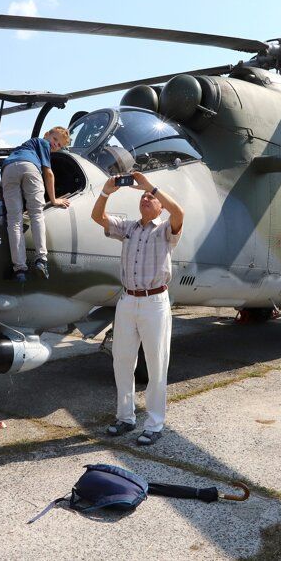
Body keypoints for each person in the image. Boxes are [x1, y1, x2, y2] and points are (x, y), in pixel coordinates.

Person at [91, 171, 184, 446]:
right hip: (127, 301)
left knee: (156, 364)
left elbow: (179, 213)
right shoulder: (128, 228)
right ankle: (125, 418)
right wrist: (106, 191)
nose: (145, 198)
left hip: (155, 302)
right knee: (121, 360)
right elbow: (98, 217)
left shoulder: (165, 229)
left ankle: (155, 424)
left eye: (151, 197)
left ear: (160, 206)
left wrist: (150, 186)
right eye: (143, 196)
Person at [0, 126, 71, 281]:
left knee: (14, 220)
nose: (55, 145)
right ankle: (41, 260)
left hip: (8, 169)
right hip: (30, 168)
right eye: (55, 139)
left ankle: (19, 269)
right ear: (46, 135)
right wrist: (54, 200)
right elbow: (48, 173)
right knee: (36, 214)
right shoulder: (42, 143)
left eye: (59, 145)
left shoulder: (23, 147)